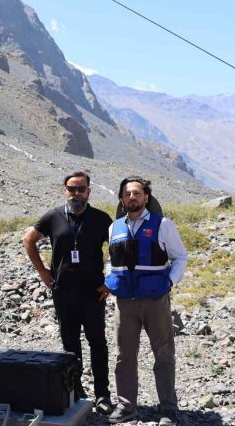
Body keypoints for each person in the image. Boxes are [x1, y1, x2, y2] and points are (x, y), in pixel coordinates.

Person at [23, 171, 114, 414]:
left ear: (89, 191)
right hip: (63, 291)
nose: (76, 193)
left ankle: (102, 394)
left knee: (97, 343)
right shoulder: (53, 217)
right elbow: (28, 240)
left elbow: (119, 249)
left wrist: (111, 282)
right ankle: (76, 391)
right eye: (71, 189)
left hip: (94, 292)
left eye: (81, 189)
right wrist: (43, 273)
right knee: (71, 345)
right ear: (65, 190)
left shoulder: (101, 219)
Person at [105, 177, 188, 426]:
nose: (132, 197)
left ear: (146, 198)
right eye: (127, 194)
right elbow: (112, 260)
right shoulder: (115, 228)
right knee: (124, 356)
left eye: (137, 193)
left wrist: (169, 283)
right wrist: (110, 277)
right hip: (125, 303)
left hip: (155, 300)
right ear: (121, 199)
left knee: (163, 353)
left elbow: (180, 257)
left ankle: (168, 409)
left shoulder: (163, 225)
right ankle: (127, 406)